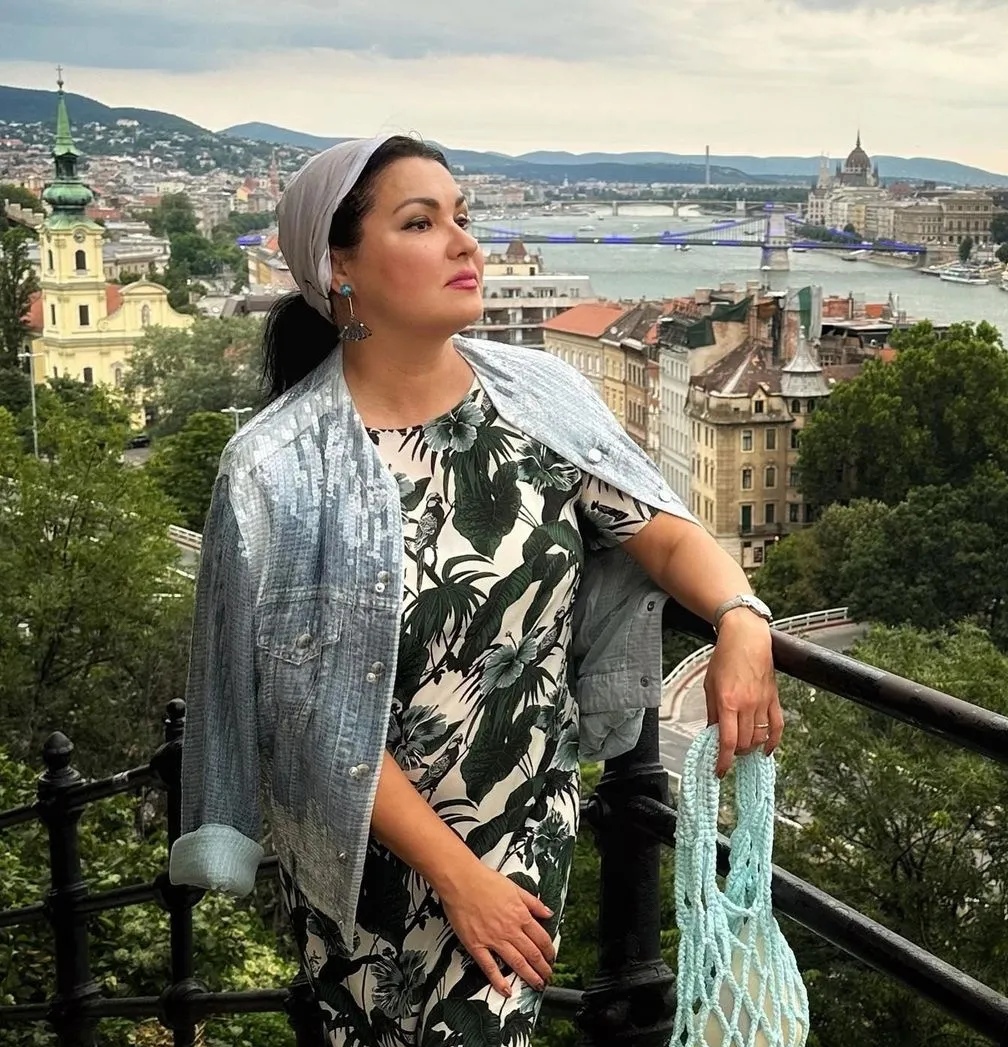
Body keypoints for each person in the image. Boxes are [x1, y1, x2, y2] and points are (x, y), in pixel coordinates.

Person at [169, 134, 781, 1046]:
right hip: (372, 863)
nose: (465, 243)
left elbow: (661, 528)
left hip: (526, 830)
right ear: (339, 267)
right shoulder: (277, 467)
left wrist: (741, 617)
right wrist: (457, 878)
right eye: (421, 223)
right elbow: (308, 714)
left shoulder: (536, 396)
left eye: (463, 216)